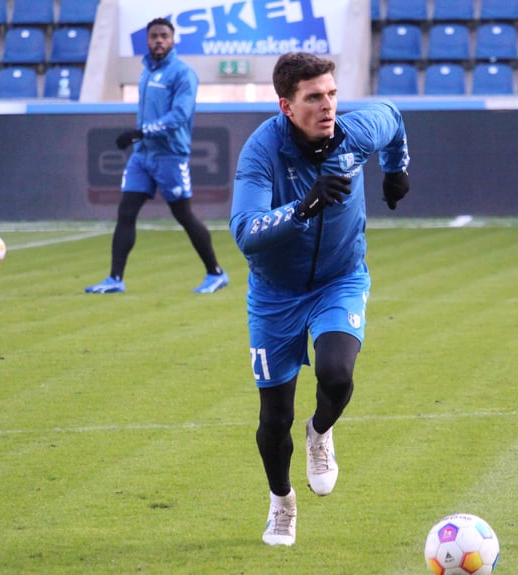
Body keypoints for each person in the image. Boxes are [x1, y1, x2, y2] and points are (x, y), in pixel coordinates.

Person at [229, 52, 411, 546]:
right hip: (276, 296)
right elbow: (244, 231)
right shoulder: (261, 152)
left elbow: (392, 117)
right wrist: (305, 204)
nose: (328, 105)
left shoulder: (354, 133)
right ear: (287, 106)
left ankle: (321, 431)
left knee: (337, 373)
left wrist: (396, 170)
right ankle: (281, 504)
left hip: (340, 278)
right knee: (273, 419)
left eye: (331, 93)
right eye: (314, 97)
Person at [85, 17, 227, 295]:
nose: (159, 40)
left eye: (164, 35)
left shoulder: (182, 73)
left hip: (170, 155)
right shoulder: (146, 72)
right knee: (126, 212)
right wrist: (141, 139)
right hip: (142, 157)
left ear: (173, 40)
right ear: (147, 40)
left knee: (183, 215)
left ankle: (216, 273)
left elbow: (180, 115)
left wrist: (141, 132)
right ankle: (115, 279)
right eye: (154, 36)